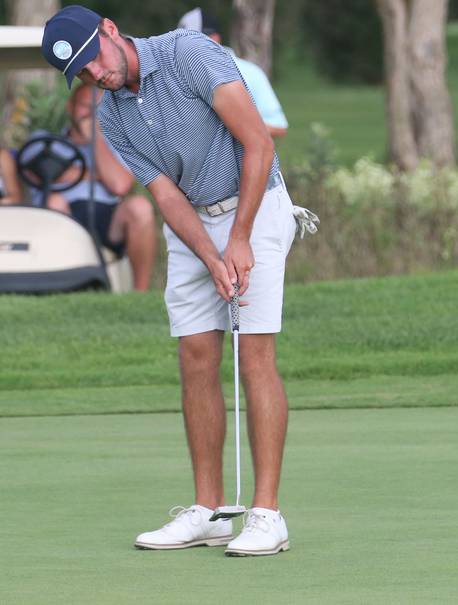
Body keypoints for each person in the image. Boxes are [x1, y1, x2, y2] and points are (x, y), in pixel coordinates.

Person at [41, 5, 316, 556]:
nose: (97, 77)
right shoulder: (113, 116)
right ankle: (210, 511)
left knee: (253, 352)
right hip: (192, 220)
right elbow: (165, 196)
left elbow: (259, 144)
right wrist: (211, 258)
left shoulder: (188, 56)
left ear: (111, 32)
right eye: (83, 75)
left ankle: (267, 514)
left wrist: (237, 241)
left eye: (95, 60)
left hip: (255, 207)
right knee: (194, 353)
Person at [29, 83, 156, 291]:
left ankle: (139, 293)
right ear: (70, 107)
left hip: (105, 215)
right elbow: (45, 175)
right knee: (54, 201)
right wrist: (98, 176)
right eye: (84, 106)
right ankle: (57, 288)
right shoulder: (45, 140)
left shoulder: (116, 144)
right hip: (60, 215)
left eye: (97, 108)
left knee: (140, 206)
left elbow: (120, 185)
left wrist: (94, 139)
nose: (90, 113)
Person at [178, 7, 289, 138]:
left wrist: (230, 127)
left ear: (214, 38)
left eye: (193, 42)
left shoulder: (250, 73)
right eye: (181, 43)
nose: (186, 49)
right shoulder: (179, 73)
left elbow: (278, 127)